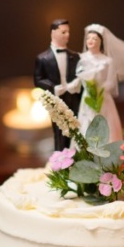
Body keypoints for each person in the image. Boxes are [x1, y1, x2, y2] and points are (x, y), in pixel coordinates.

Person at [75, 24, 124, 143]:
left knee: (105, 122)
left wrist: (100, 91)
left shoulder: (107, 61)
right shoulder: (82, 58)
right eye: (88, 38)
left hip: (102, 98)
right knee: (87, 121)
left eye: (94, 39)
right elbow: (78, 77)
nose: (90, 41)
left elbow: (111, 82)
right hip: (88, 97)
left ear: (101, 42)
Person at [33, 18, 82, 150]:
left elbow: (81, 74)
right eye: (63, 32)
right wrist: (54, 88)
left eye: (68, 32)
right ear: (53, 33)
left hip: (74, 98)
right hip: (56, 99)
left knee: (77, 130)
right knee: (59, 132)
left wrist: (77, 83)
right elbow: (38, 79)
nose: (67, 35)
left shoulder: (75, 56)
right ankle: (61, 161)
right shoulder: (43, 58)